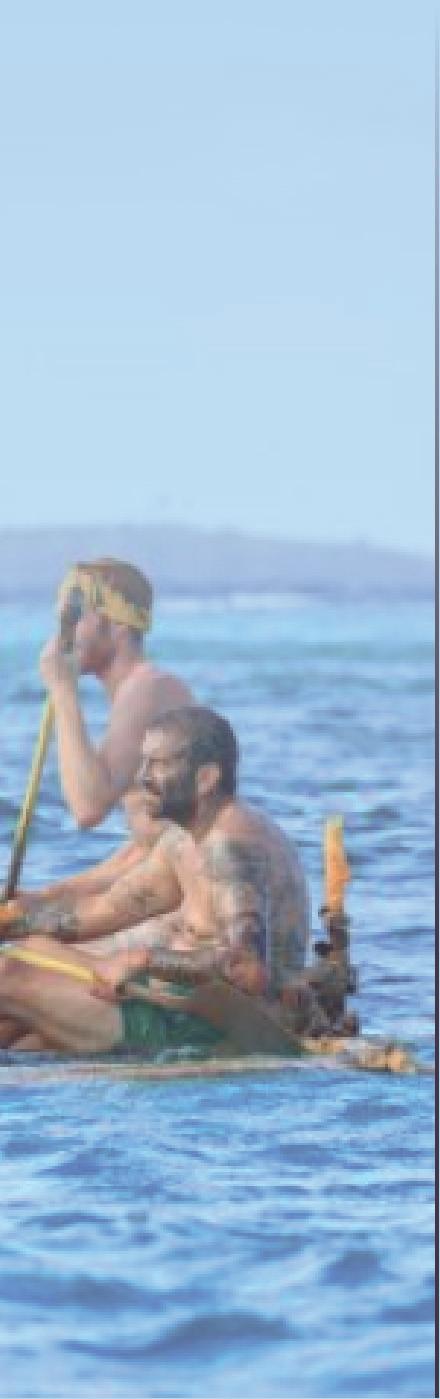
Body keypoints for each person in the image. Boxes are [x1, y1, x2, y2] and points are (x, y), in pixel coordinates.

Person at [0, 707, 311, 1055]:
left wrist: (141, 960)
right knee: (31, 952)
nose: (141, 778)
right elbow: (102, 910)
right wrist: (11, 921)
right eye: (143, 763)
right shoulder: (181, 840)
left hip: (207, 1029)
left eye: (158, 765)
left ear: (206, 778)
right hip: (167, 1003)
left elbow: (247, 968)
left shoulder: (228, 846)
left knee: (6, 974)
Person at [40, 556, 193, 845]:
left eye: (75, 618)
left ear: (118, 625)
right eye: (62, 621)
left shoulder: (147, 689)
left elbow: (88, 809)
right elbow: (150, 845)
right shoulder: (141, 689)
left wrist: (63, 689)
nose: (64, 635)